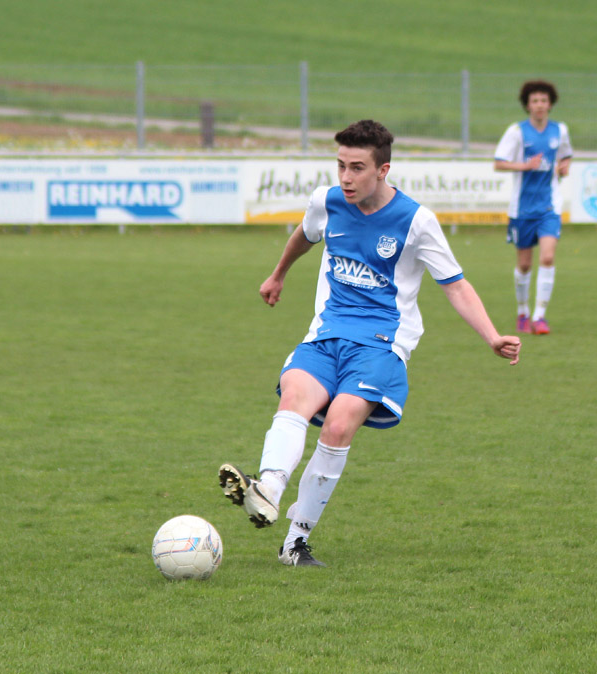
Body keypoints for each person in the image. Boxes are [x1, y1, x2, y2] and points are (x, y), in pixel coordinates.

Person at [218, 120, 521, 567]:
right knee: (294, 401)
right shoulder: (326, 202)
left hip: (381, 344)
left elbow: (454, 284)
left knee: (339, 426)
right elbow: (305, 235)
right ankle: (268, 492)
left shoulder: (416, 221)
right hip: (325, 335)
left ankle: (295, 541)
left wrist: (492, 335)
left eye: (357, 168)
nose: (345, 177)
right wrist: (278, 273)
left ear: (383, 170)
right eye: (340, 165)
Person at [494, 80, 573, 335]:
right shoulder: (517, 132)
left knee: (548, 257)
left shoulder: (559, 130)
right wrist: (524, 166)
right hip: (522, 209)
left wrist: (564, 166)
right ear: (528, 105)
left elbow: (566, 154)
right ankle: (522, 312)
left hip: (549, 206)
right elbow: (499, 163)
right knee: (525, 265)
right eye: (535, 101)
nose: (539, 105)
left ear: (550, 104)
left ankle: (540, 317)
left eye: (543, 100)